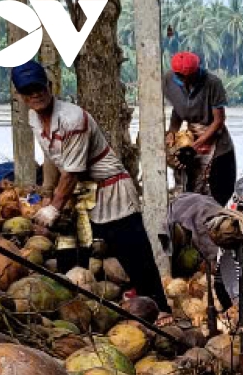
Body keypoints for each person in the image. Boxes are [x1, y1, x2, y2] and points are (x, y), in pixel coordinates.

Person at [12, 60, 169, 309]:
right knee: (69, 254)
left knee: (134, 253)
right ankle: (75, 310)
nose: (35, 94)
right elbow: (52, 159)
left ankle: (159, 308)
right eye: (28, 91)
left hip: (111, 190)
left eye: (39, 88)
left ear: (49, 86)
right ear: (19, 95)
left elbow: (73, 171)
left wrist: (53, 209)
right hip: (79, 194)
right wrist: (46, 195)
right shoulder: (34, 118)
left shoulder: (72, 119)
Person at [165, 184, 243, 312]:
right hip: (186, 216)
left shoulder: (233, 224)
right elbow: (218, 264)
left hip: (187, 206)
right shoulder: (215, 232)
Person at [164, 51, 236, 204]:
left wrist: (197, 144)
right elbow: (177, 110)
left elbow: (219, 120)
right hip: (190, 135)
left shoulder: (212, 83)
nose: (185, 82)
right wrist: (172, 132)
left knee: (218, 187)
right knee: (187, 182)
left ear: (196, 72)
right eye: (182, 78)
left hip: (214, 137)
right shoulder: (169, 80)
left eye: (190, 77)